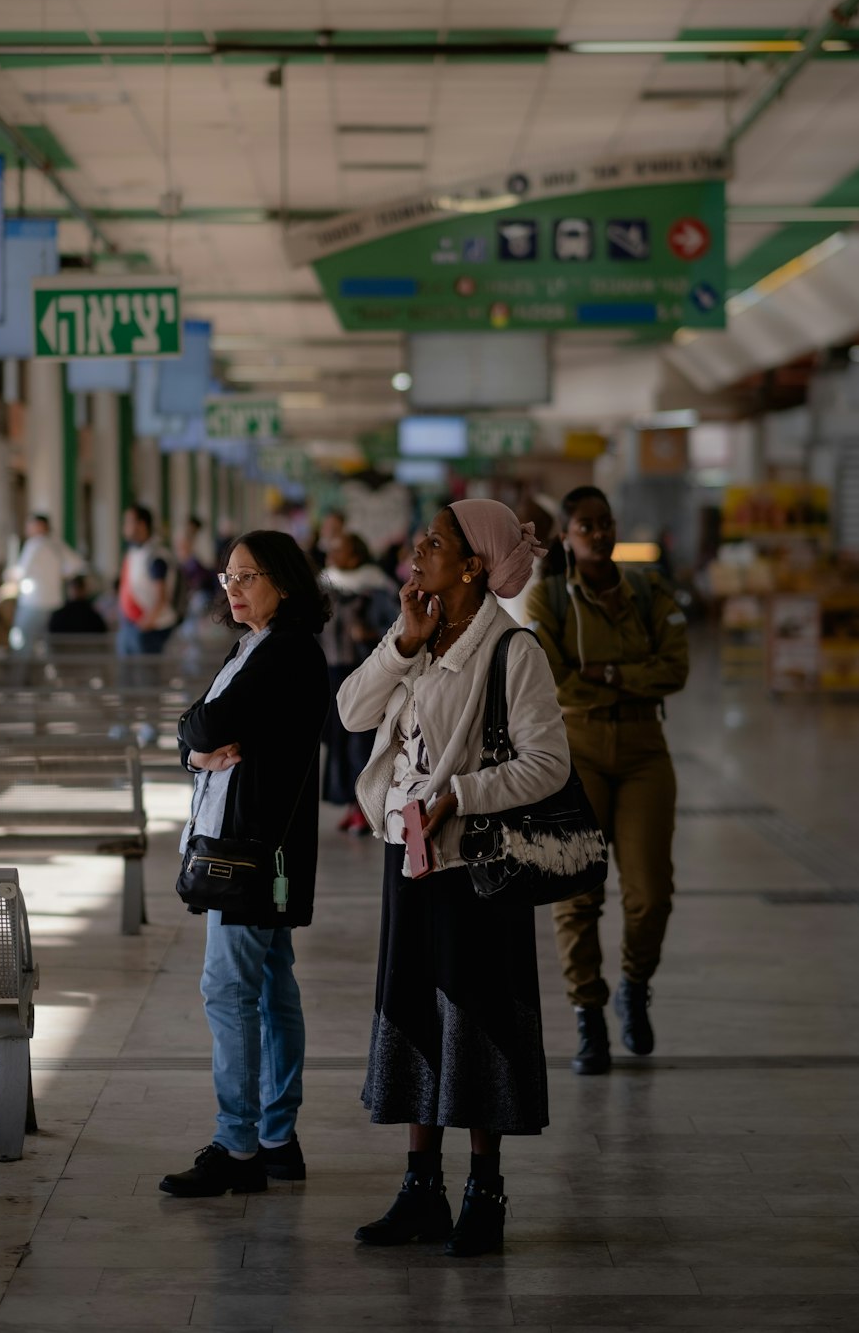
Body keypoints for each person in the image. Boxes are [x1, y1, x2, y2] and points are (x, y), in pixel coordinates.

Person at [336, 499, 569, 1258]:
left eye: (435, 541)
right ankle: (420, 1189)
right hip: (412, 860)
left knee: (478, 1024)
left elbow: (547, 764)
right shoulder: (421, 638)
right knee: (415, 1015)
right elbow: (349, 712)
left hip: (478, 869)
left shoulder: (513, 651)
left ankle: (485, 1191)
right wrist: (402, 642)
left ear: (473, 564)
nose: (418, 549)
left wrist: (459, 796)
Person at [160, 531, 331, 1198]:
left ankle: (238, 1147)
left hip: (252, 851)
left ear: (283, 584)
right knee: (269, 988)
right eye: (229, 576)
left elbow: (202, 726)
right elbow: (196, 730)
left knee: (229, 992)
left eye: (247, 577)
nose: (231, 588)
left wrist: (195, 740)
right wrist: (195, 746)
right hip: (261, 848)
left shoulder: (285, 652)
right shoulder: (254, 646)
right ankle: (276, 1139)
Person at [524, 485, 689, 1076]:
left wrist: (609, 671)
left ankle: (634, 986)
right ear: (566, 536)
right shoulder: (548, 600)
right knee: (576, 890)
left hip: (646, 748)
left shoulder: (648, 590)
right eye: (584, 526)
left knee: (651, 894)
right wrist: (625, 678)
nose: (597, 532)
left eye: (604, 522)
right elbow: (558, 682)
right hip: (578, 750)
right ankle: (588, 1012)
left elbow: (676, 669)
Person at [321, 532, 399, 834]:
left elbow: (396, 629)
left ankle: (365, 807)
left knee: (361, 744)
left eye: (338, 548)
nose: (331, 554)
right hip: (332, 675)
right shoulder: (325, 587)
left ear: (356, 556)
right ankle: (352, 804)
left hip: (365, 675)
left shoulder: (377, 588)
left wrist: (369, 634)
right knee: (338, 743)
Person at [9, 514, 84, 653]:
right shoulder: (57, 544)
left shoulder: (34, 544)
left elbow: (20, 573)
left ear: (40, 526)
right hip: (54, 604)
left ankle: (21, 674)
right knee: (47, 647)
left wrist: (11, 575)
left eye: (30, 525)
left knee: (22, 645)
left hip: (33, 604)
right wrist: (60, 576)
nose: (27, 529)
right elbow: (76, 565)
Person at [116, 503, 178, 656]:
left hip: (149, 629)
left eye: (128, 522)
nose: (124, 527)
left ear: (141, 525)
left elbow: (161, 596)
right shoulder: (134, 551)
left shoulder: (155, 556)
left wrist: (146, 623)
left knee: (145, 677)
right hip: (131, 625)